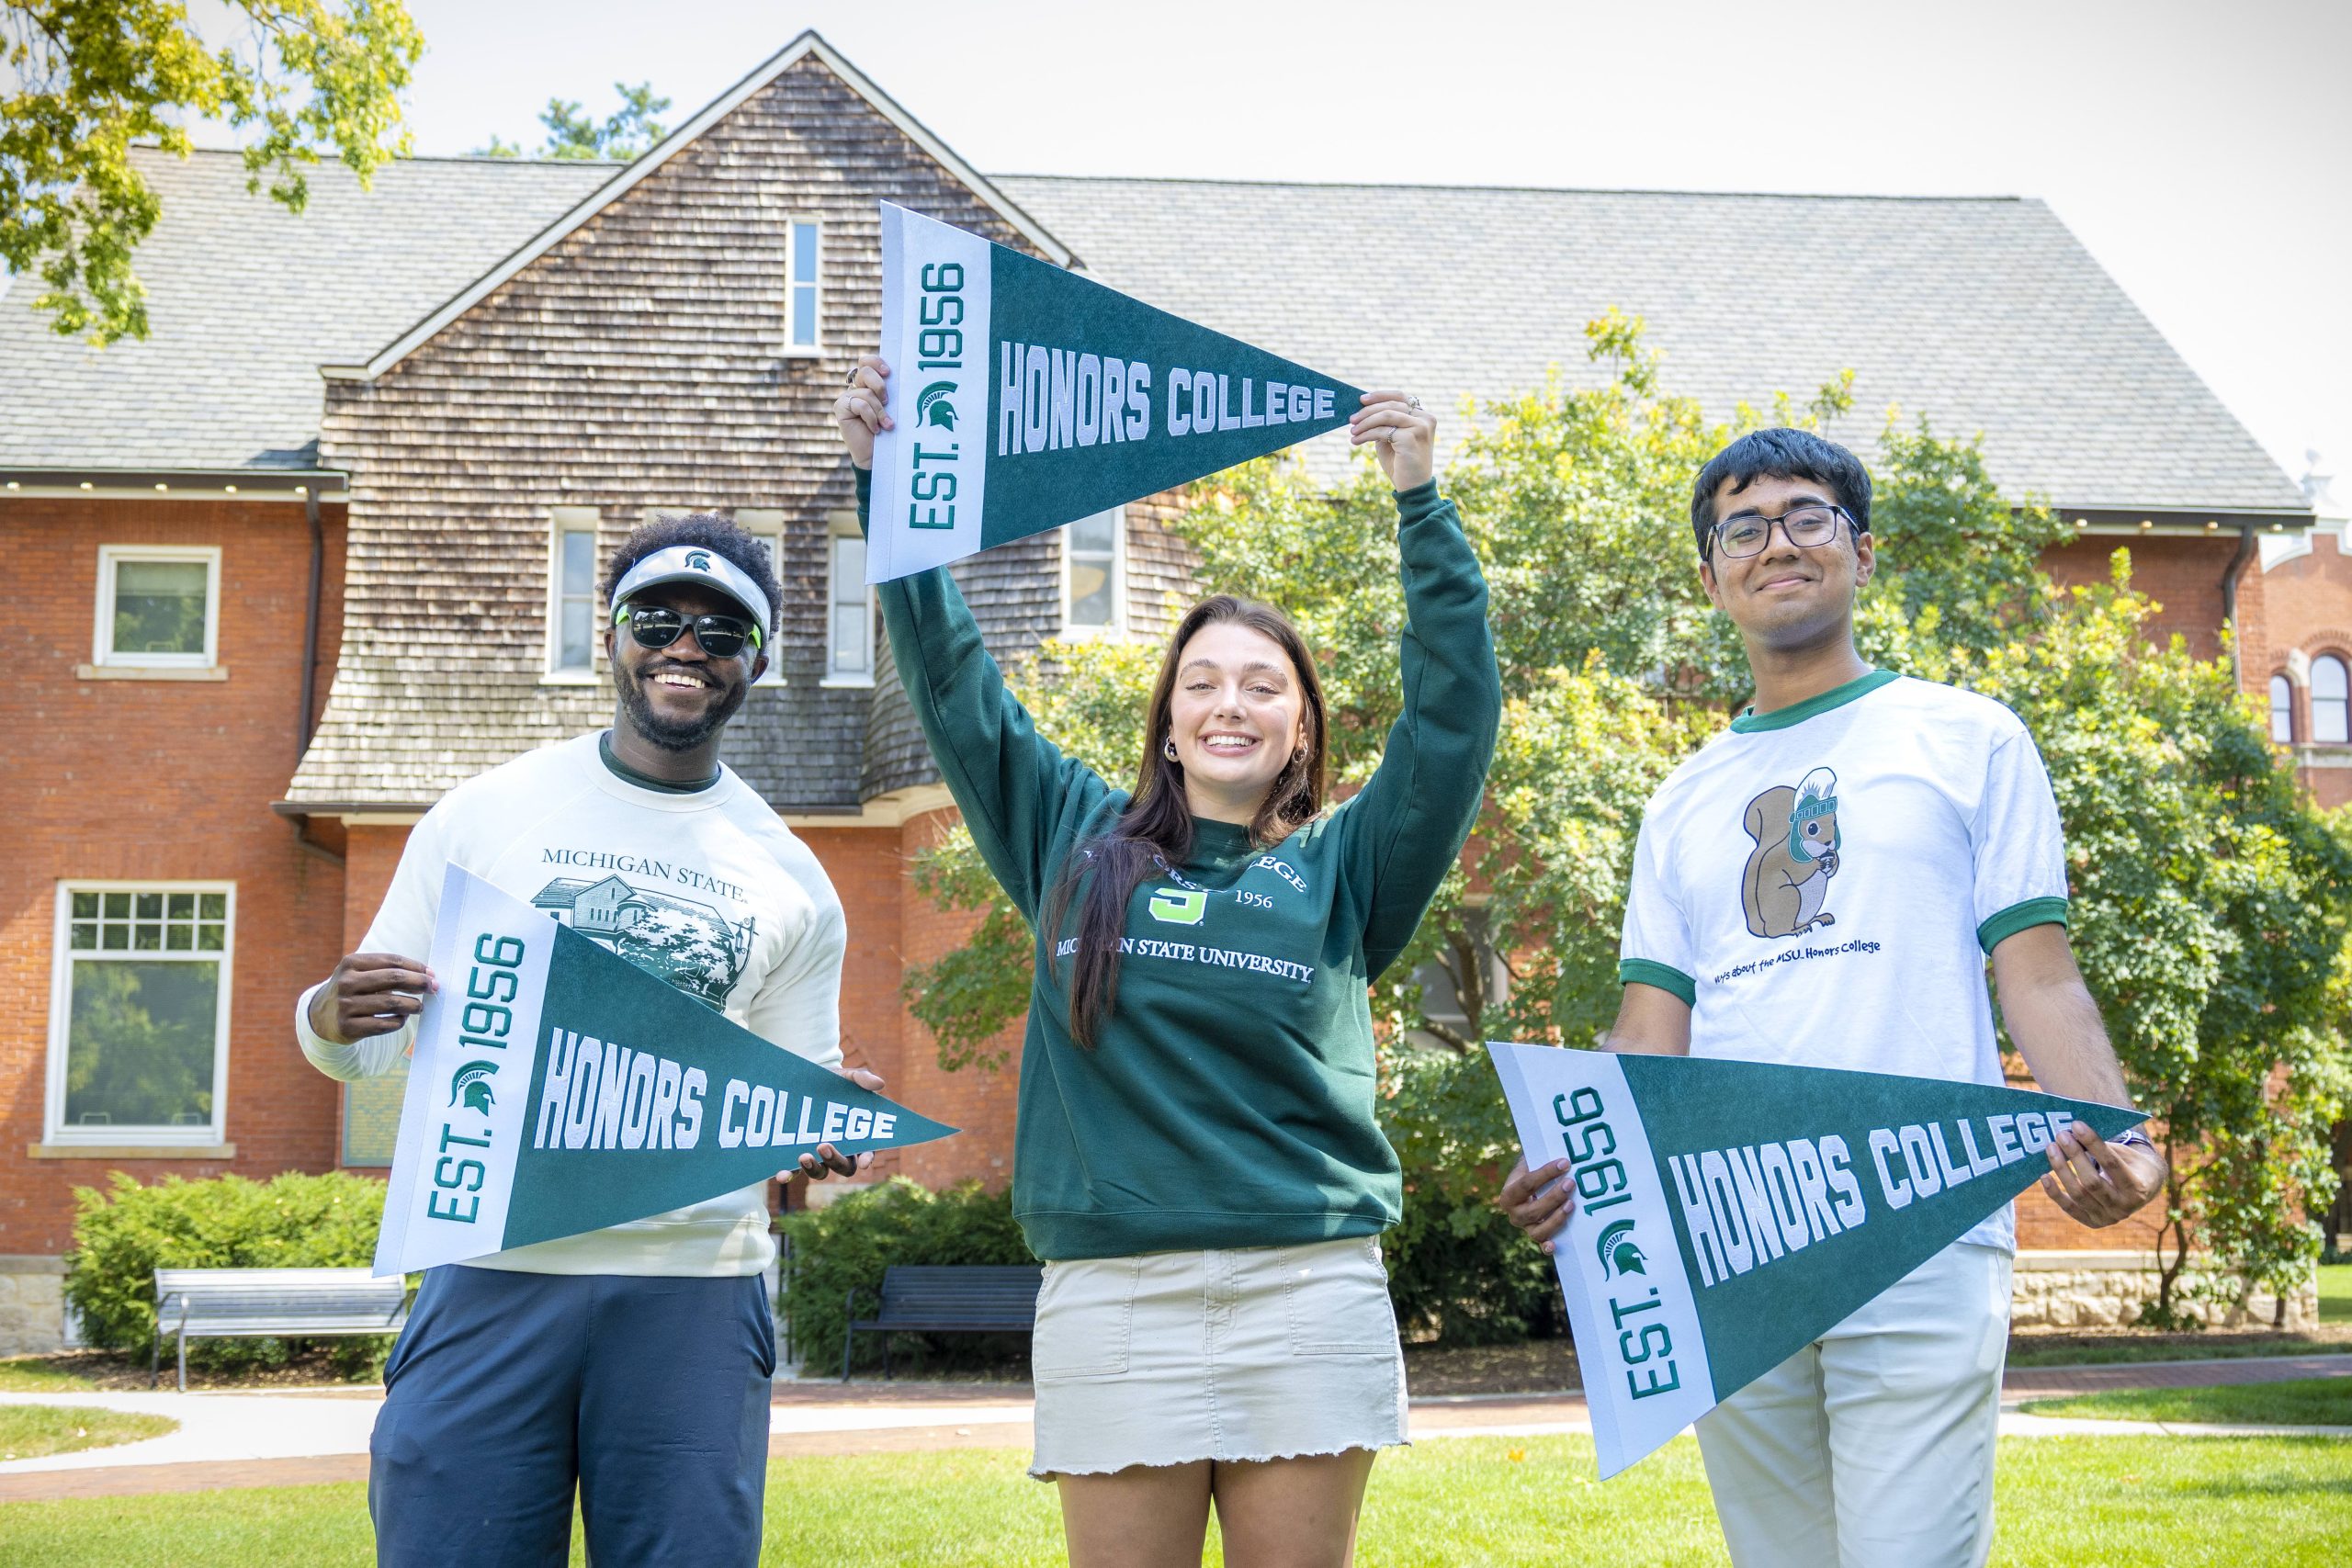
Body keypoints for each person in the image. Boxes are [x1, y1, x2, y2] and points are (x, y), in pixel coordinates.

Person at [835, 355, 1498, 1568]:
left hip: (1306, 1291)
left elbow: (1452, 722)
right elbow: (955, 688)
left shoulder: (1346, 865)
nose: (1229, 702)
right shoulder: (1073, 839)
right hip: (1116, 1296)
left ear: (1300, 722)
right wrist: (895, 494)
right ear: (1170, 720)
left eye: (1262, 683)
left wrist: (1421, 502)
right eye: (1202, 681)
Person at [1498, 428, 2166, 1568]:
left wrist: (2123, 1137)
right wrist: (1580, 1161)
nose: (1777, 545)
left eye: (1808, 517)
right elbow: (1652, 1030)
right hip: (1729, 1229)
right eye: (1742, 528)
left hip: (1922, 1210)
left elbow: (2038, 971)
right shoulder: (1681, 797)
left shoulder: (1969, 738)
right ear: (1710, 579)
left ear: (1861, 551)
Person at [298, 514, 876, 1568]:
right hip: (488, 1269)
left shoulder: (791, 876)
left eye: (722, 631)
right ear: (610, 635)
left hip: (695, 1292)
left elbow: (797, 1096)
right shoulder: (487, 813)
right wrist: (327, 1017)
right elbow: (364, 1040)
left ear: (756, 661)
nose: (685, 647)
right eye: (656, 619)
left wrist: (826, 1128)